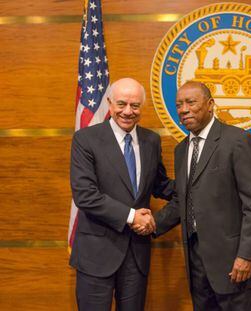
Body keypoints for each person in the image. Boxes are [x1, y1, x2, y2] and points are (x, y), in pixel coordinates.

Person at [151, 81, 251, 310]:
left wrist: (247, 256)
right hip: (196, 263)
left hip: (235, 264)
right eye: (179, 105)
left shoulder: (237, 141)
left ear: (210, 104)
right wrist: (151, 224)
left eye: (191, 102)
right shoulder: (182, 149)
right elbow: (185, 200)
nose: (184, 109)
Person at [69, 78, 173, 310]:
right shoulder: (86, 139)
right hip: (96, 255)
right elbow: (85, 195)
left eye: (135, 106)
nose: (128, 111)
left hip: (136, 256)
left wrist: (198, 185)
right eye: (121, 104)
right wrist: (131, 216)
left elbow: (160, 185)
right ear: (109, 103)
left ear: (142, 107)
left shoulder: (151, 140)